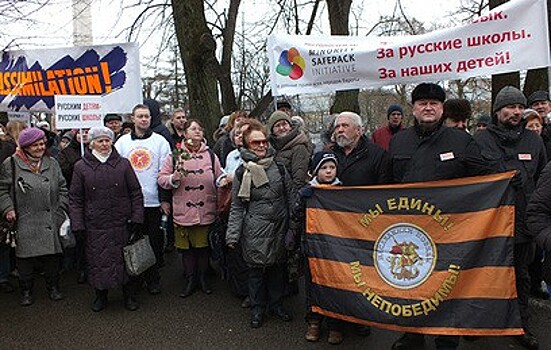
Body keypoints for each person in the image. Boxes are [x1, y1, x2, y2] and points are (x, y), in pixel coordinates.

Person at [389, 83, 493, 350]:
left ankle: (446, 336)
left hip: (450, 229)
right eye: (422, 103)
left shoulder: (461, 140)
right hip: (409, 229)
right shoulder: (399, 141)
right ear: (413, 108)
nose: (428, 107)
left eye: (434, 103)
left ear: (442, 109)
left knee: (446, 285)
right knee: (410, 283)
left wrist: (507, 179)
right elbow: (386, 183)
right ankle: (412, 334)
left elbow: (485, 177)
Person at [474, 85, 546, 350]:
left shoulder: (534, 141)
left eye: (519, 107)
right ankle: (478, 325)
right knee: (484, 276)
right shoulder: (480, 140)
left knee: (521, 277)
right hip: (489, 225)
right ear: (497, 111)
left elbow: (540, 179)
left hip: (522, 224)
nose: (516, 112)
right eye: (510, 107)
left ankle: (521, 326)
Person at [327, 111, 389, 343]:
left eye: (345, 125)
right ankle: (336, 321)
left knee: (361, 275)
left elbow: (385, 190)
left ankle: (361, 318)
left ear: (359, 130)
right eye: (337, 126)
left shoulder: (378, 155)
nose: (340, 130)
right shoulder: (328, 154)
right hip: (334, 227)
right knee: (337, 273)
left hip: (365, 227)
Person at [226, 121, 295, 329]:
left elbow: (291, 198)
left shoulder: (280, 168)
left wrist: (294, 226)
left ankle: (276, 305)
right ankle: (258, 308)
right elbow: (237, 206)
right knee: (256, 271)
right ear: (247, 146)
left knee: (277, 268)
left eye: (264, 142)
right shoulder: (241, 172)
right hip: (254, 228)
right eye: (256, 143)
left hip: (279, 226)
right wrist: (232, 235)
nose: (262, 146)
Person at [69, 126, 144, 312]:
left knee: (125, 261)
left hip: (122, 222)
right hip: (95, 225)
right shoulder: (80, 167)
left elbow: (135, 192)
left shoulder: (123, 164)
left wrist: (137, 217)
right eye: (100, 141)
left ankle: (129, 295)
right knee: (97, 261)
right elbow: (76, 199)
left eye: (107, 140)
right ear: (91, 143)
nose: (104, 144)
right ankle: (100, 296)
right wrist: (77, 224)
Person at [0, 127, 68, 306]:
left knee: (52, 258)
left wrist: (60, 209)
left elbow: (62, 187)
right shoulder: (11, 163)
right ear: (25, 146)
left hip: (50, 217)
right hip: (24, 218)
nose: (40, 147)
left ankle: (53, 288)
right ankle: (26, 291)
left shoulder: (51, 162)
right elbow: (2, 190)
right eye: (35, 145)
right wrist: (8, 209)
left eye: (43, 144)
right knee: (24, 260)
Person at [158, 119, 223, 298]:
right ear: (185, 133)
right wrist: (173, 178)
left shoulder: (210, 155)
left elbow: (219, 177)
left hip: (205, 208)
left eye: (200, 129)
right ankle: (190, 279)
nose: (198, 132)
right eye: (193, 129)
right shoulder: (175, 155)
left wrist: (224, 181)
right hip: (183, 209)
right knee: (187, 249)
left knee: (202, 248)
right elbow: (161, 179)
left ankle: (203, 279)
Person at [115, 103, 172, 295]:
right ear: (133, 118)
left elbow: (166, 172)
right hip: (129, 203)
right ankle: (134, 278)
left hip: (153, 201)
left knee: (154, 242)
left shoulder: (160, 142)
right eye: (140, 116)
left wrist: (165, 200)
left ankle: (153, 278)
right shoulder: (122, 143)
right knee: (132, 241)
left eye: (147, 116)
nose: (144, 119)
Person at [292, 151, 342, 344]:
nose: (328, 172)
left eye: (332, 167)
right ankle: (314, 322)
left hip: (335, 249)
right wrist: (302, 201)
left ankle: (335, 325)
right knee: (313, 286)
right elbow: (296, 216)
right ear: (315, 171)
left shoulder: (343, 191)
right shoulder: (308, 192)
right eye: (324, 168)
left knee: (336, 286)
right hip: (312, 247)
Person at [58, 128, 90, 284]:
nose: (83, 135)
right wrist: (78, 166)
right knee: (80, 235)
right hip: (77, 198)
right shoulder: (66, 152)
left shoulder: (96, 148)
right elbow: (63, 173)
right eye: (80, 133)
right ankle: (82, 267)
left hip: (95, 199)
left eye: (86, 132)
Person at [0, 120, 26, 294]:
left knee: (4, 240)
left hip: (5, 199)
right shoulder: (9, 148)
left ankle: (4, 275)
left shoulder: (7, 148)